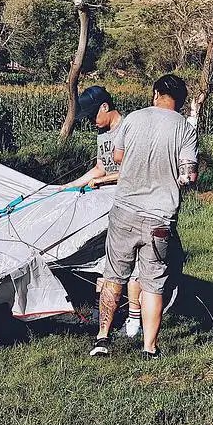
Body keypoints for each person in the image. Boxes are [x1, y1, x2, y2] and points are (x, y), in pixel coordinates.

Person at [89, 74, 198, 360]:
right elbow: (188, 176)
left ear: (155, 94)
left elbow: (119, 157)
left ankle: (102, 339)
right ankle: (149, 348)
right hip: (160, 218)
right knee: (153, 282)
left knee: (114, 275)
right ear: (181, 101)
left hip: (124, 210)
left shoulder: (133, 119)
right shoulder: (184, 129)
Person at [69, 86, 144, 338]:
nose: (91, 122)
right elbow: (99, 168)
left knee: (129, 259)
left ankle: (134, 315)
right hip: (105, 202)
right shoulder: (102, 134)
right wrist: (69, 186)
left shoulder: (130, 129)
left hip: (130, 201)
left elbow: (134, 171)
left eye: (92, 116)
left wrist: (103, 181)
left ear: (105, 107)